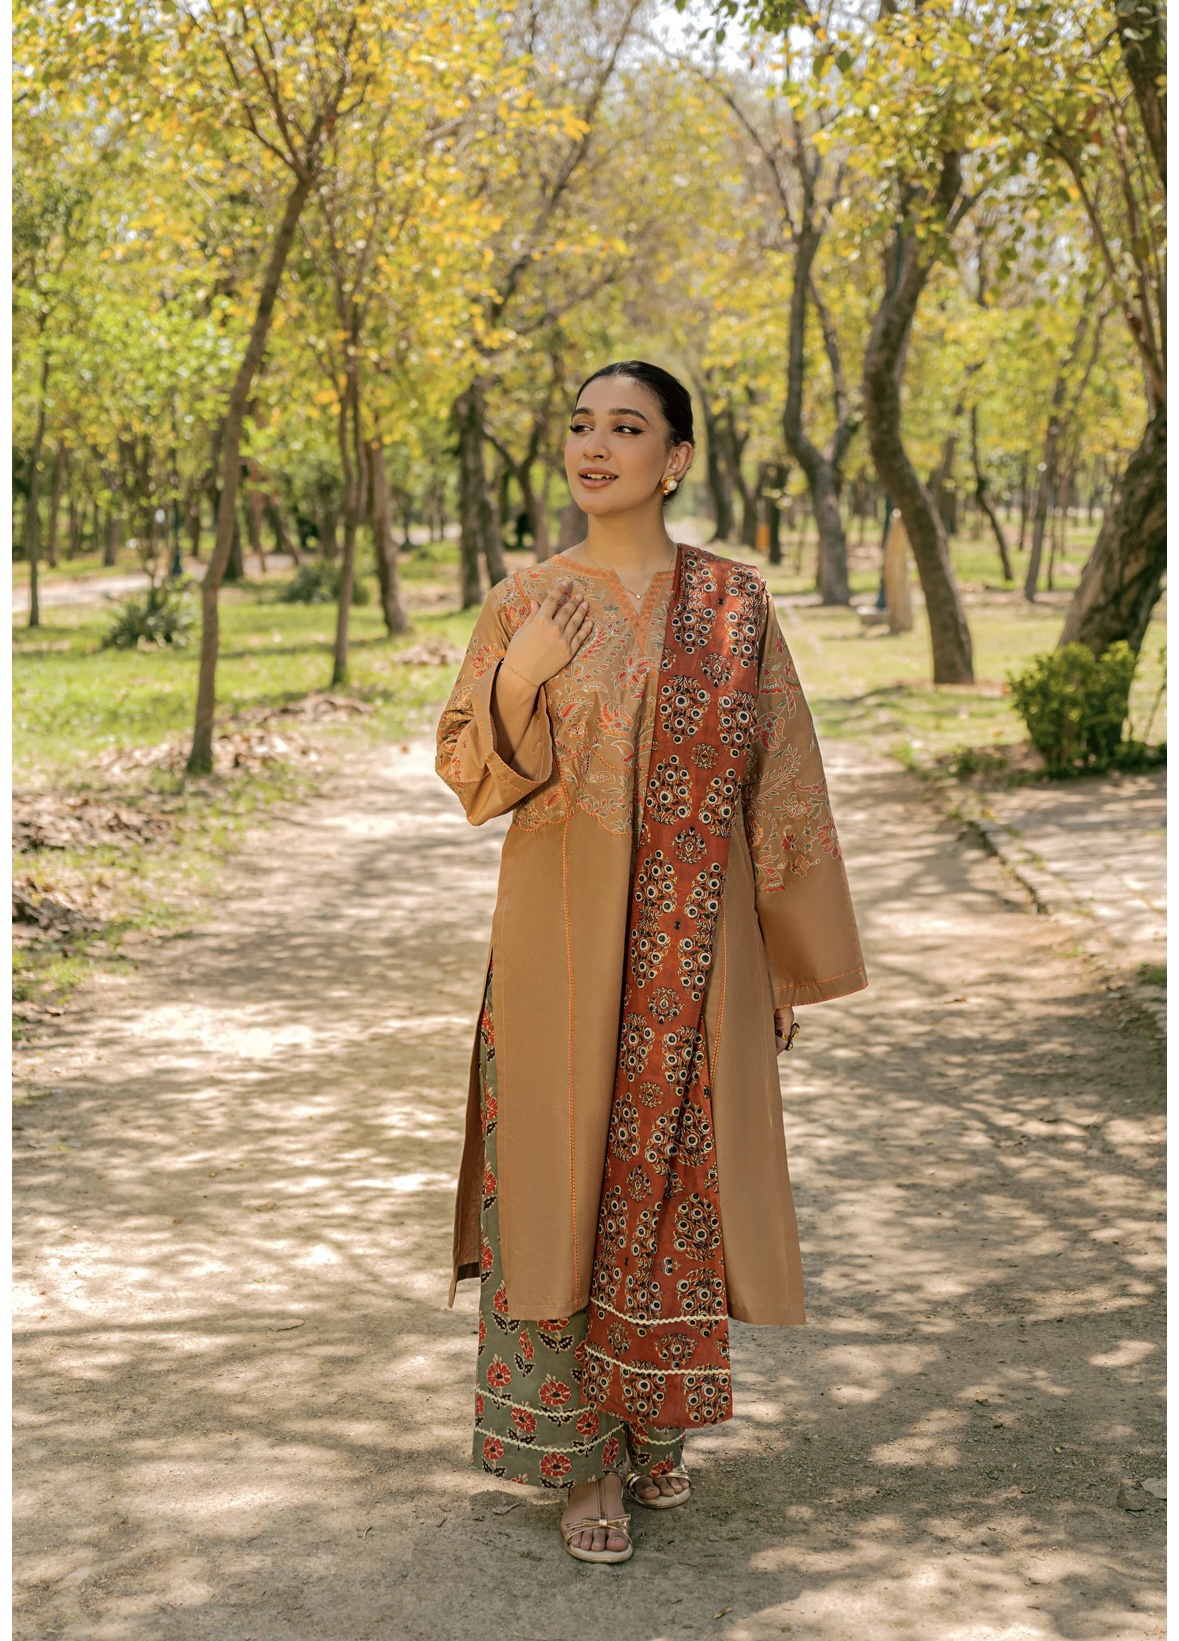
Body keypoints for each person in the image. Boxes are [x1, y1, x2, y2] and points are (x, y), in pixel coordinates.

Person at [436, 360, 867, 1565]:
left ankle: (653, 1431)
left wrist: (785, 965)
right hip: (556, 949)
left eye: (626, 428)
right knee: (558, 1185)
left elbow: (782, 782)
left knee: (673, 1181)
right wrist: (520, 675)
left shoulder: (734, 606)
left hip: (699, 954)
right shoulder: (527, 600)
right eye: (581, 425)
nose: (595, 445)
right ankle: (581, 1464)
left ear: (674, 460)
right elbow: (469, 770)